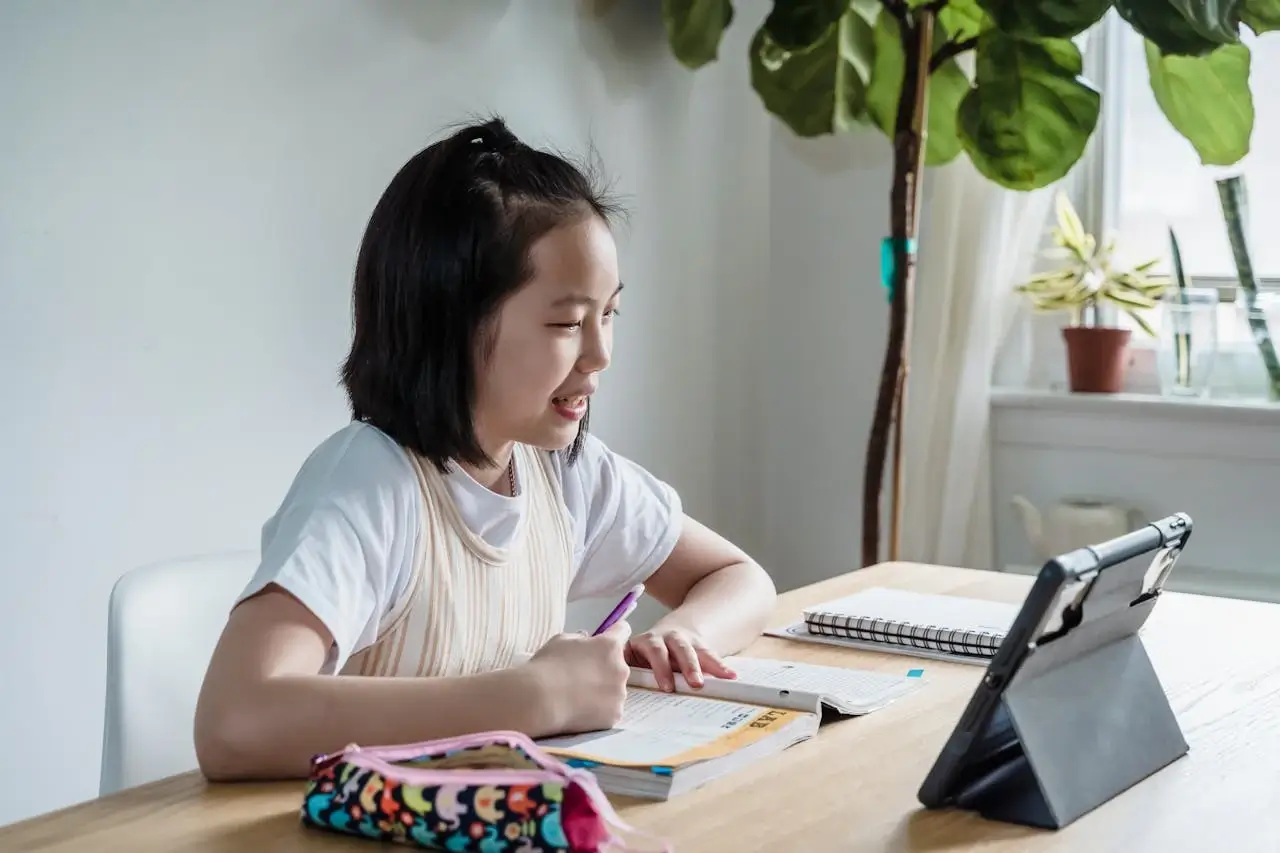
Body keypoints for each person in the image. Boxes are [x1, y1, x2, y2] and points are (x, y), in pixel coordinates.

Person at [193, 117, 777, 781]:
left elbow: (739, 578)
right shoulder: (369, 485)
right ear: (451, 324)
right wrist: (533, 697)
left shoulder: (565, 473)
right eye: (567, 322)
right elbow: (234, 723)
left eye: (609, 314)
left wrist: (684, 635)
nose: (600, 354)